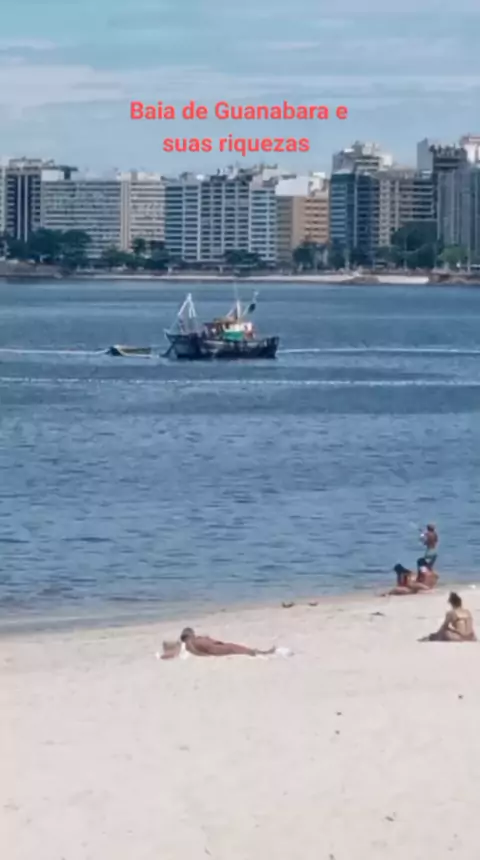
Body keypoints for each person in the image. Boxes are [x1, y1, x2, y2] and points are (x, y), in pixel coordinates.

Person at [161, 627, 276, 659]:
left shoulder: (186, 644)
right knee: (232, 647)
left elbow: (171, 651)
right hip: (211, 648)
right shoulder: (193, 641)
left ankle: (258, 652)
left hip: (207, 648)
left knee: (232, 647)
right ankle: (260, 652)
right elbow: (213, 644)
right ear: (191, 634)